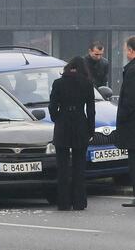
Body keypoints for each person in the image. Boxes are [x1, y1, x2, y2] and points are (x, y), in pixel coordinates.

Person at [48, 56, 95, 211]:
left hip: (63, 124)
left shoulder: (58, 83)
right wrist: (91, 128)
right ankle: (79, 202)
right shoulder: (87, 84)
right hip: (80, 123)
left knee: (62, 166)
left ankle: (63, 202)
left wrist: (58, 119)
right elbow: (91, 110)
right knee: (79, 166)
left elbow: (52, 106)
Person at [116, 36, 135, 207]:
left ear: (131, 51)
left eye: (125, 49)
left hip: (131, 124)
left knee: (133, 160)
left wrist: (121, 117)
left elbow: (129, 100)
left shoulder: (132, 70)